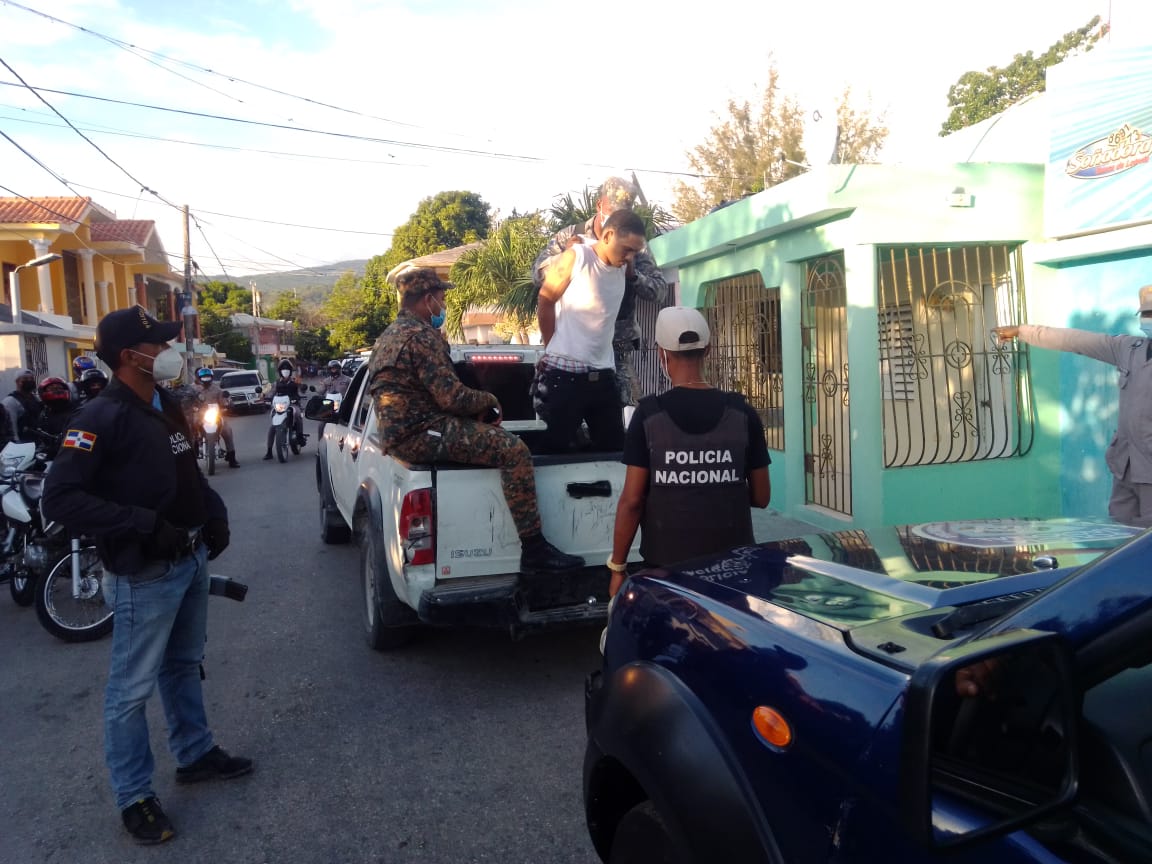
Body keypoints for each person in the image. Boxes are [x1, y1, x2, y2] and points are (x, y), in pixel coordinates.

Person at [40, 305, 251, 846]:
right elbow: (61, 498)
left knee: (183, 666)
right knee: (130, 691)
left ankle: (195, 753)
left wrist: (214, 513)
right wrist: (141, 523)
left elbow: (188, 474)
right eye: (157, 344)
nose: (167, 351)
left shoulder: (167, 403)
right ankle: (134, 795)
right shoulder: (98, 418)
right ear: (129, 357)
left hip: (190, 559)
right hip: (145, 573)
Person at [367, 267, 583, 574]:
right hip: (420, 434)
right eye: (441, 299)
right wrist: (490, 399)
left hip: (403, 433)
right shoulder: (421, 337)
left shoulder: (388, 336)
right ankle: (534, 550)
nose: (443, 305)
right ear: (427, 300)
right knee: (513, 450)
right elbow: (451, 398)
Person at [607, 307, 772, 597]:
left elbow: (632, 502)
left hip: (666, 574)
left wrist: (617, 568)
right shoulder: (743, 413)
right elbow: (761, 497)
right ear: (708, 350)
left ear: (662, 354)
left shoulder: (647, 416)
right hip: (734, 573)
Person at [994, 283, 1152, 528]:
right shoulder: (1130, 348)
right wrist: (1023, 331)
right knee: (1119, 536)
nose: (1148, 319)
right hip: (1125, 464)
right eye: (1146, 313)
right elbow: (1075, 340)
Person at [533, 176, 668, 408]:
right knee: (565, 414)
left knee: (620, 412)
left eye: (624, 213)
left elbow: (659, 291)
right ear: (599, 205)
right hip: (571, 350)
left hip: (616, 349)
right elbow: (537, 274)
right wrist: (565, 257)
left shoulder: (635, 246)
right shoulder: (572, 236)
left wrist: (634, 275)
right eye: (613, 211)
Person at [534, 209, 648, 452]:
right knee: (555, 454)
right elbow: (545, 300)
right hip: (564, 374)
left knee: (614, 452)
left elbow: (635, 273)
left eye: (635, 252)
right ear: (607, 236)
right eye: (627, 249)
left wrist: (629, 263)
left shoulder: (623, 264)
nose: (630, 257)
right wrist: (551, 347)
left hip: (603, 374)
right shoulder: (577, 257)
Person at [194, 367, 240, 468]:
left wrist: (227, 404)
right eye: (204, 377)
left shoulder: (217, 389)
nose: (206, 379)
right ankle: (193, 454)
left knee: (227, 431)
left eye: (208, 377)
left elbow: (223, 401)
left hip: (215, 415)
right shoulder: (194, 390)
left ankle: (231, 457)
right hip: (200, 416)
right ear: (199, 378)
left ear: (211, 377)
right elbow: (189, 401)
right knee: (191, 431)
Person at [263, 358, 307, 459]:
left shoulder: (295, 381)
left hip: (293, 404)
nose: (285, 371)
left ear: (290, 371)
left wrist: (302, 388)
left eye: (287, 369)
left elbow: (301, 391)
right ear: (280, 371)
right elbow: (271, 392)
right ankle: (269, 451)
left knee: (298, 415)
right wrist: (267, 398)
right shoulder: (276, 383)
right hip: (280, 406)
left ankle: (300, 437)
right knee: (272, 427)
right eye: (283, 369)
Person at [32, 376, 73, 458]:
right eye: (52, 388)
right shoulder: (44, 414)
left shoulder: (75, 411)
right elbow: (41, 438)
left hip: (72, 452)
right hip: (52, 455)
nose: (57, 390)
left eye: (59, 388)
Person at [3, 369, 42, 442]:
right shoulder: (10, 401)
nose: (29, 380)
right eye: (25, 379)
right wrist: (17, 444)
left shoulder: (36, 399)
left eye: (31, 378)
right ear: (17, 382)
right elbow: (11, 427)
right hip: (23, 444)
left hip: (38, 442)